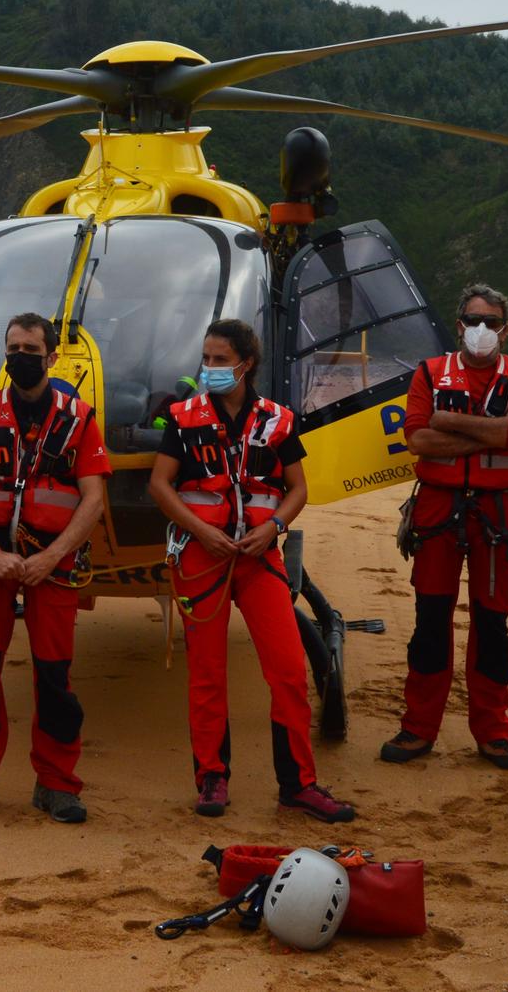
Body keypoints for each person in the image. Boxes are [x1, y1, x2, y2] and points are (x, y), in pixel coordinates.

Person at [150, 319, 355, 823]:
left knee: (287, 670)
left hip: (259, 558)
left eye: (220, 360)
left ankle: (298, 785)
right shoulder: (181, 418)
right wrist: (201, 531)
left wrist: (275, 528)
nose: (211, 368)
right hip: (203, 558)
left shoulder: (278, 421)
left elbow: (298, 488)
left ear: (247, 363)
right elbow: (160, 486)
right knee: (207, 675)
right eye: (207, 359)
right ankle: (212, 779)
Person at [0, 313, 110, 825]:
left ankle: (57, 783)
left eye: (30, 348)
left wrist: (51, 557)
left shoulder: (79, 418)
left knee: (54, 675)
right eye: (12, 346)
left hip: (52, 564)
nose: (20, 355)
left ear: (52, 356)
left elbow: (94, 498)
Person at [380, 285, 508, 772]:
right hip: (437, 510)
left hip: (500, 514)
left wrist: (448, 421)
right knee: (431, 619)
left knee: (492, 625)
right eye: (473, 319)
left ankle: (494, 732)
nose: (481, 330)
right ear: (458, 324)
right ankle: (418, 726)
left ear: (505, 329)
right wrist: (491, 428)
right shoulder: (429, 372)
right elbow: (417, 438)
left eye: (491, 322)